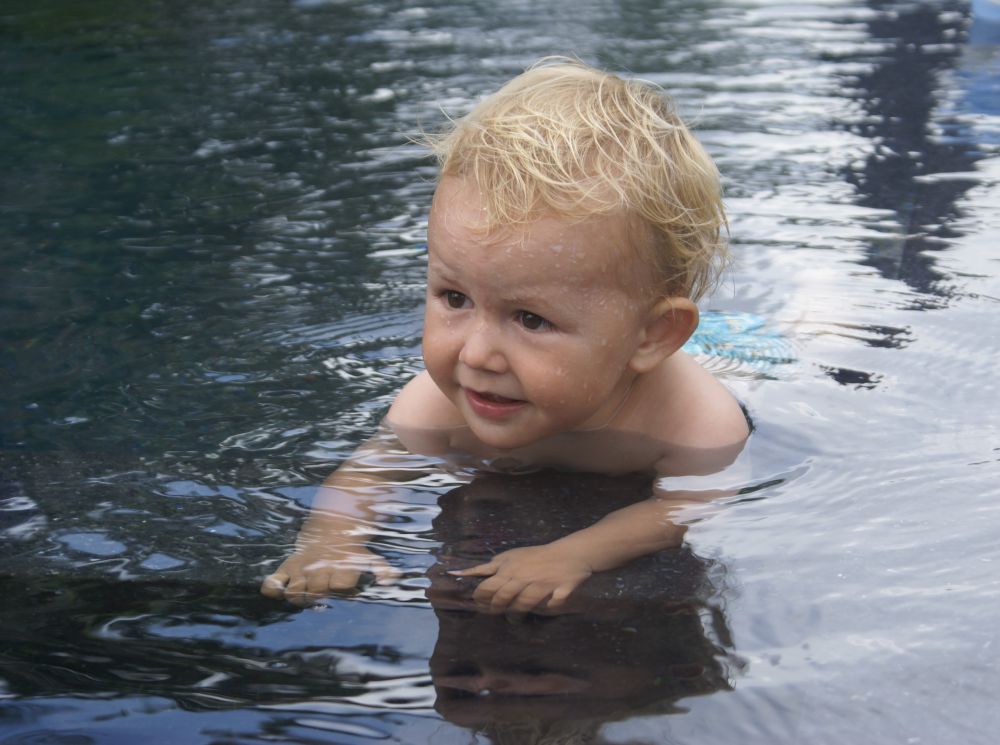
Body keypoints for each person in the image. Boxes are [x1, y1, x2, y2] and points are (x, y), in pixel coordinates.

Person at [261, 58, 750, 613]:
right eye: (455, 298)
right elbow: (366, 475)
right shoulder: (438, 402)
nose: (475, 354)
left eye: (530, 319)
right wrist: (330, 542)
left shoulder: (693, 421)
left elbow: (689, 505)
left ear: (651, 336)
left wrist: (578, 554)